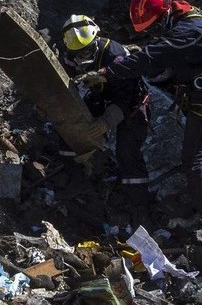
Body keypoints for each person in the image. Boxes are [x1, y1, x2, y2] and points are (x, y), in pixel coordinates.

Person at [78, 0, 202, 225]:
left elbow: (151, 58)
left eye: (153, 26)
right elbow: (162, 54)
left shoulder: (186, 32)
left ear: (162, 16)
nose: (154, 31)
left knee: (194, 162)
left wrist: (105, 74)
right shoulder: (187, 14)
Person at [60, 15, 150, 224]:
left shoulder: (116, 55)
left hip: (131, 102)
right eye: (78, 52)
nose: (83, 55)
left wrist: (106, 122)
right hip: (100, 95)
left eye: (87, 50)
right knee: (69, 125)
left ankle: (138, 205)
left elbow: (127, 97)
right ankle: (74, 178)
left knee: (127, 152)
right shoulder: (68, 55)